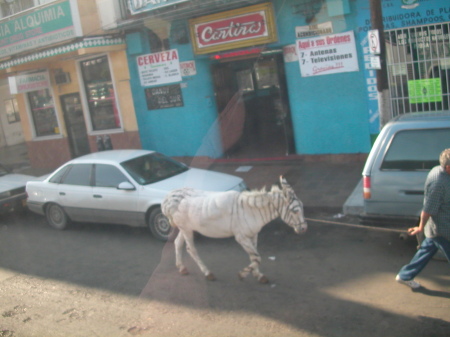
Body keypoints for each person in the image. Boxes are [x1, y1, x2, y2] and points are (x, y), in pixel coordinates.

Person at [396, 148, 450, 289]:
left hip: (436, 229)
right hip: (444, 229)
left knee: (427, 249)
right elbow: (427, 210)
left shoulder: (438, 169)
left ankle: (404, 276)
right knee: (431, 244)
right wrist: (420, 228)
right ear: (448, 167)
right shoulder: (439, 183)